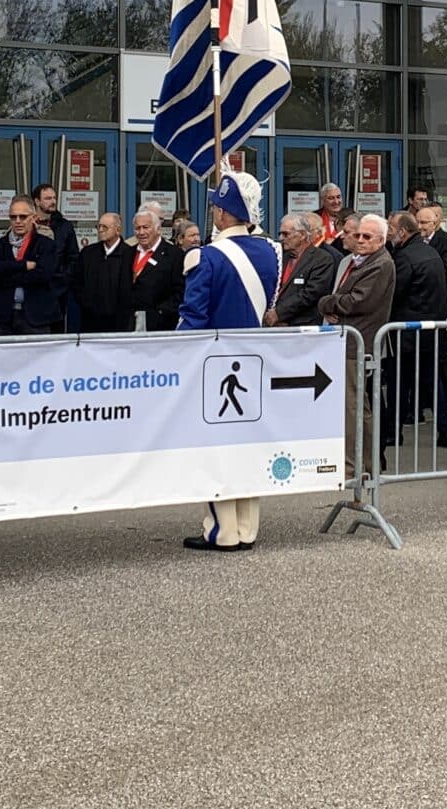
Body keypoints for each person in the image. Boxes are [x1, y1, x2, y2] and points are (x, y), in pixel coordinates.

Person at [177, 173, 279, 553]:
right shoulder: (272, 252)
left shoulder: (204, 256)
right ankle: (247, 528)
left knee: (217, 448)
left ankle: (221, 530)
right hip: (256, 361)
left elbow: (192, 319)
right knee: (248, 443)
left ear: (221, 213)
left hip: (215, 366)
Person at [321, 212, 396, 481]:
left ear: (380, 241)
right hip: (349, 339)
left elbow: (357, 301)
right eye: (358, 235)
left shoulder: (380, 264)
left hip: (359, 341)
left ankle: (355, 466)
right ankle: (362, 463)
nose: (360, 240)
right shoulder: (359, 261)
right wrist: (335, 303)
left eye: (367, 237)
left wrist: (328, 303)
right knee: (356, 408)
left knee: (354, 408)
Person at [381, 206, 447, 460]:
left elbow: (394, 292)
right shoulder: (429, 252)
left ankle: (393, 431)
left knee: (400, 385)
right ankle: (445, 429)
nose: (388, 234)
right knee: (433, 383)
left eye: (391, 229)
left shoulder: (405, 257)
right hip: (430, 329)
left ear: (402, 231)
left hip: (408, 330)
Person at [0, 192, 68, 336]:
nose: (18, 221)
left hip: (36, 317)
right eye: (13, 217)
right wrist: (23, 267)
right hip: (4, 317)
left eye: (23, 217)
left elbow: (43, 275)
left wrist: (8, 274)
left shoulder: (46, 245)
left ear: (33, 218)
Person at [266, 209, 340, 326]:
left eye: (286, 234)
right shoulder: (279, 255)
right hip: (275, 324)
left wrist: (279, 313)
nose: (281, 238)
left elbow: (310, 293)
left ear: (302, 235)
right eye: (280, 233)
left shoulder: (322, 259)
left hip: (302, 326)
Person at [72, 211, 135, 335]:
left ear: (118, 229)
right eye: (98, 226)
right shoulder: (88, 253)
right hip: (89, 321)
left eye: (105, 227)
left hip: (119, 323)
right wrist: (85, 302)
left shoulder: (129, 254)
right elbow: (76, 281)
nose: (100, 230)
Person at [125, 207, 182, 331]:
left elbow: (180, 292)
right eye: (137, 228)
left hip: (160, 326)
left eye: (146, 227)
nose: (141, 232)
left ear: (158, 229)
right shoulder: (128, 253)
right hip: (129, 325)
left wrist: (160, 312)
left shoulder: (174, 255)